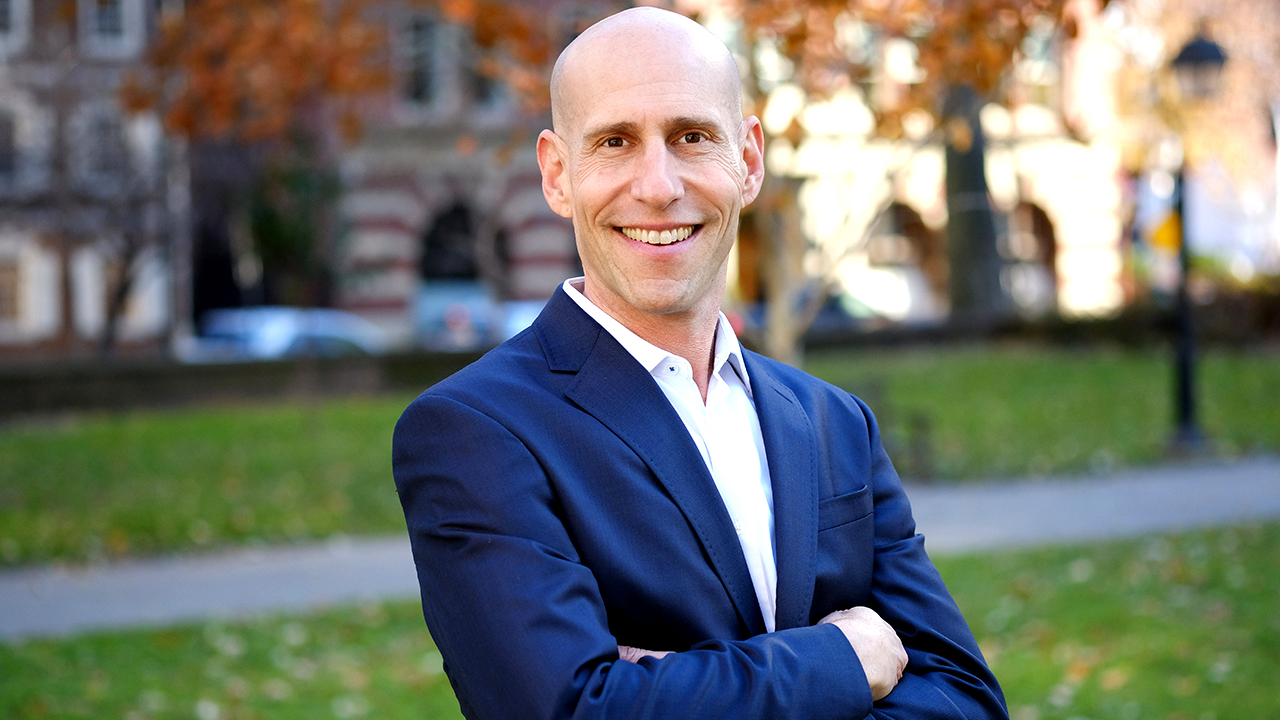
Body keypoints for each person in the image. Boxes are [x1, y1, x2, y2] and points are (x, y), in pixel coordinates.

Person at [393, 7, 1006, 719]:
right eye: (616, 142)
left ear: (747, 160)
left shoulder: (836, 424)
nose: (657, 185)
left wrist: (669, 691)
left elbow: (968, 701)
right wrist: (843, 660)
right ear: (558, 176)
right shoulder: (475, 433)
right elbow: (570, 712)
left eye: (691, 137)